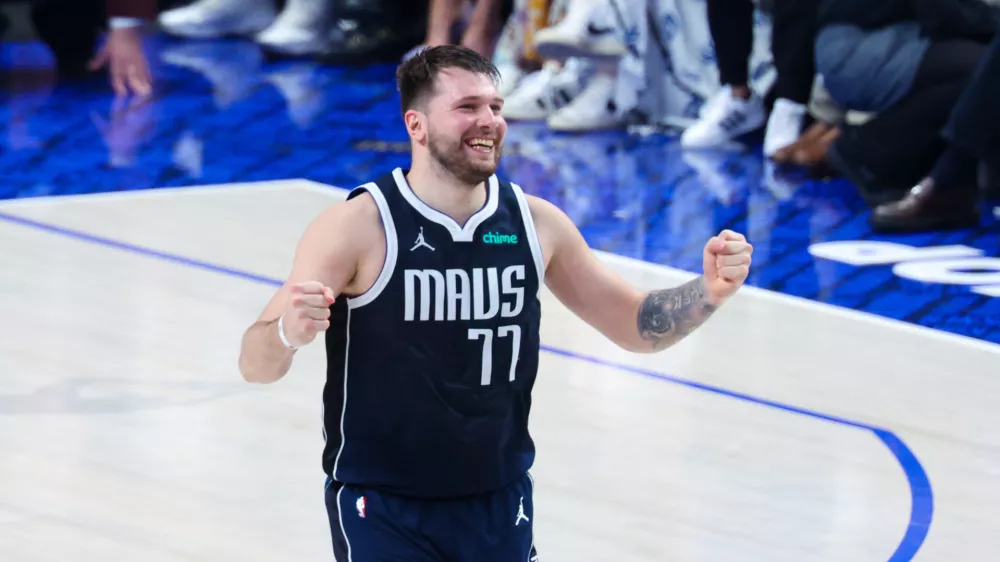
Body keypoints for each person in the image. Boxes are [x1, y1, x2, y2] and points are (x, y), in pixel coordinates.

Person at [237, 45, 753, 561]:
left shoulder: (536, 223)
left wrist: (706, 292)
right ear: (416, 125)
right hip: (384, 506)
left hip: (499, 500)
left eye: (496, 107)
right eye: (467, 107)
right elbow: (254, 364)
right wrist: (288, 332)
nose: (488, 121)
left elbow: (635, 325)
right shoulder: (359, 226)